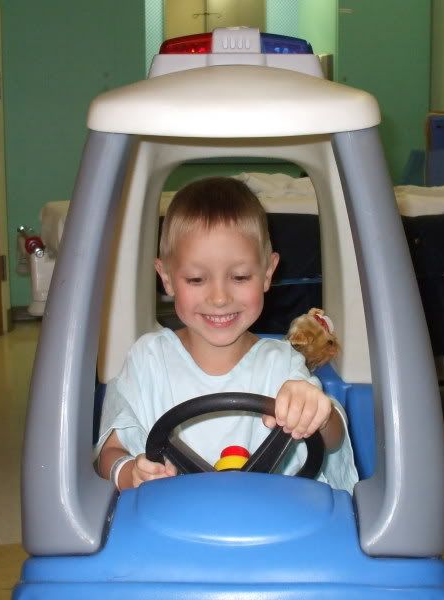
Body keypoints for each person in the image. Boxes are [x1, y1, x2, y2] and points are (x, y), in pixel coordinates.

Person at [95, 177, 358, 493]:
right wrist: (128, 473)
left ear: (267, 274)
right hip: (173, 526)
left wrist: (317, 412)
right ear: (166, 278)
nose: (219, 297)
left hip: (270, 524)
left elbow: (332, 438)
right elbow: (109, 452)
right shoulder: (147, 361)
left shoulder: (282, 364)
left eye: (240, 276)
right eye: (196, 279)